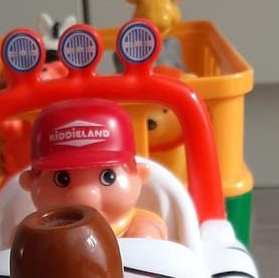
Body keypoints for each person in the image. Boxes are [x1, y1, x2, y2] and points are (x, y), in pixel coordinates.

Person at [19, 99, 168, 240]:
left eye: (108, 177)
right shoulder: (33, 235)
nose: (84, 197)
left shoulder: (140, 227)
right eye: (62, 179)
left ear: (140, 175)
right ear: (29, 182)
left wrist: (143, 242)